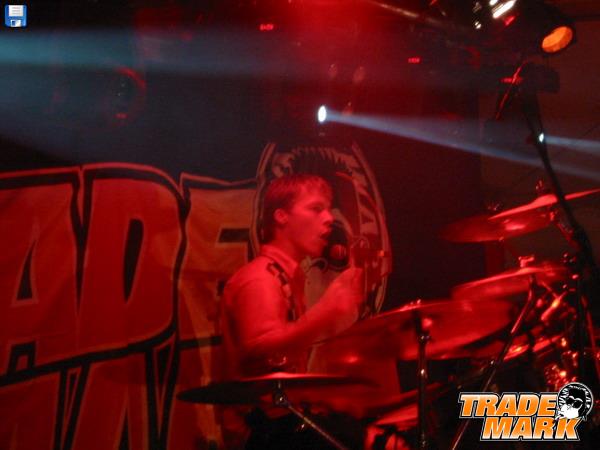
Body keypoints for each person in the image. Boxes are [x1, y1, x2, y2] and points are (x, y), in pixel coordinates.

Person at [217, 174, 366, 448]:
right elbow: (259, 347)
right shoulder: (260, 279)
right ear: (281, 216)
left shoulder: (287, 277)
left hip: (281, 421)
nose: (329, 218)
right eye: (316, 208)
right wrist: (325, 312)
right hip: (264, 432)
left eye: (328, 209)